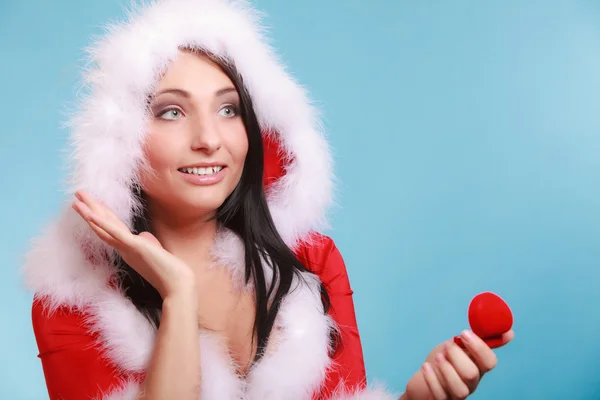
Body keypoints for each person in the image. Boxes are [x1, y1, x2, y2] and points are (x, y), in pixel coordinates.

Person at [22, 0, 514, 399]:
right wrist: (178, 294)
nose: (209, 139)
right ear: (121, 140)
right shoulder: (72, 304)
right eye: (172, 111)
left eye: (229, 109)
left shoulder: (313, 262)